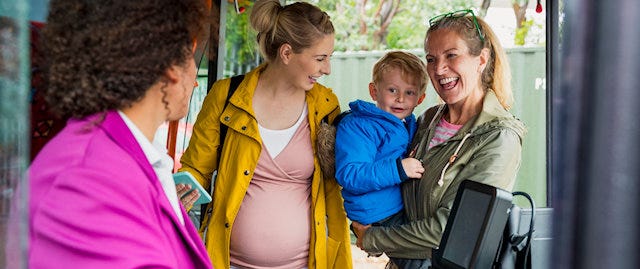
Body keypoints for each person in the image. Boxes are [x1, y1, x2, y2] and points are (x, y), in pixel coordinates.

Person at [21, 0, 211, 268]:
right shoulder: (83, 183)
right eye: (191, 54)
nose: (194, 77)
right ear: (169, 65)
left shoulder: (124, 153)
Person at [178, 0, 353, 268]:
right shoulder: (226, 96)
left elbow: (338, 184)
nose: (327, 69)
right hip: (228, 262)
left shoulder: (326, 106)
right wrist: (175, 199)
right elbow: (195, 173)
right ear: (286, 53)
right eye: (320, 58)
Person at [351, 9, 527, 269]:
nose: (439, 69)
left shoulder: (499, 137)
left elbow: (452, 230)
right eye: (431, 59)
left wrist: (374, 238)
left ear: (481, 60)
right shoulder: (427, 120)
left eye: (451, 55)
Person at [334, 51, 427, 236]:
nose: (400, 98)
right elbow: (350, 174)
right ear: (374, 91)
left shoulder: (409, 125)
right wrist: (398, 170)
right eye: (392, 90)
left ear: (420, 99)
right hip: (378, 214)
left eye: (409, 92)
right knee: (420, 259)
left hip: (396, 207)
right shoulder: (360, 126)